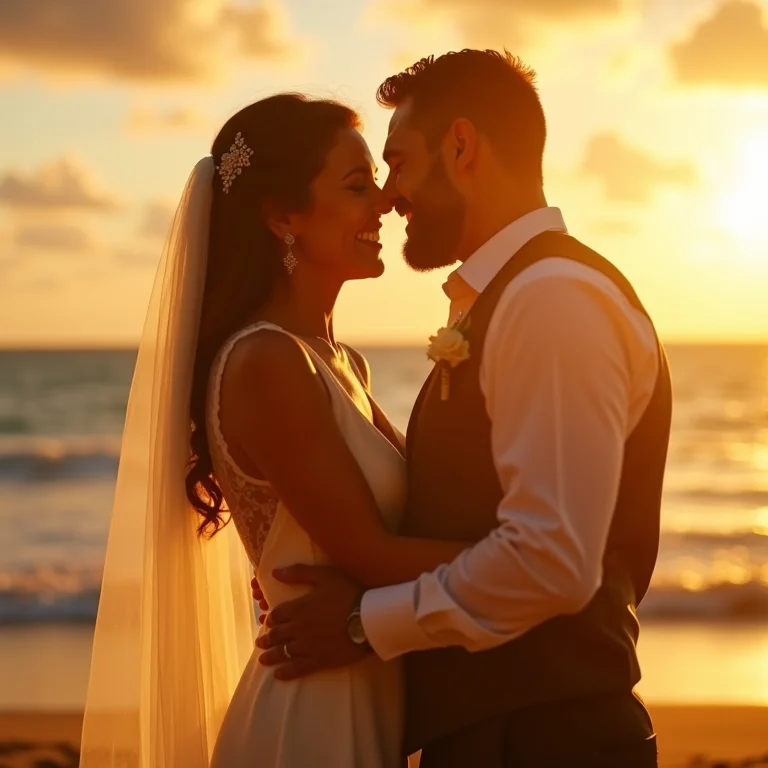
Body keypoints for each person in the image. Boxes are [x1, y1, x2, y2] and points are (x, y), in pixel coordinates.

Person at [255, 50, 673, 768]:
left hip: (546, 741)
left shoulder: (552, 300)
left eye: (400, 163)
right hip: (505, 733)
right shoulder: (517, 298)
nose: (390, 196)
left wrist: (361, 625)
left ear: (461, 146)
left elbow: (552, 561)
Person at [79, 92, 470, 768]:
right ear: (281, 217)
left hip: (366, 686)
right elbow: (372, 554)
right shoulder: (266, 361)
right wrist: (538, 558)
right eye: (356, 186)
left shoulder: (339, 362)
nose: (384, 205)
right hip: (313, 718)